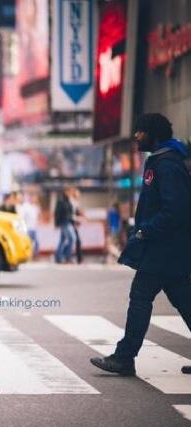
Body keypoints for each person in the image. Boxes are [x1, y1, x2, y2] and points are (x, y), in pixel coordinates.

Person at [91, 113, 191, 376]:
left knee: (140, 298)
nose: (136, 136)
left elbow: (177, 209)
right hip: (168, 249)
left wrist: (146, 230)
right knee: (183, 299)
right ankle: (125, 357)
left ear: (154, 134)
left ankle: (124, 358)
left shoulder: (167, 165)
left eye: (141, 131)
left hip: (164, 248)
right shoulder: (160, 161)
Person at [54, 186, 75, 263]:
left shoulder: (69, 200)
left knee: (62, 240)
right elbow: (57, 213)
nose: (71, 193)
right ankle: (67, 257)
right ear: (65, 191)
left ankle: (58, 257)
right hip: (64, 222)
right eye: (69, 191)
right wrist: (56, 224)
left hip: (68, 222)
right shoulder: (61, 200)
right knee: (71, 238)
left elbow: (71, 213)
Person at [17, 192, 39, 259]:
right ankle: (27, 256)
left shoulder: (36, 207)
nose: (35, 199)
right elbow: (21, 217)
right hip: (28, 228)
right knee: (28, 244)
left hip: (33, 228)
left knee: (36, 244)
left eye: (36, 198)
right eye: (34, 198)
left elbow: (36, 218)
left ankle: (32, 256)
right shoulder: (26, 207)